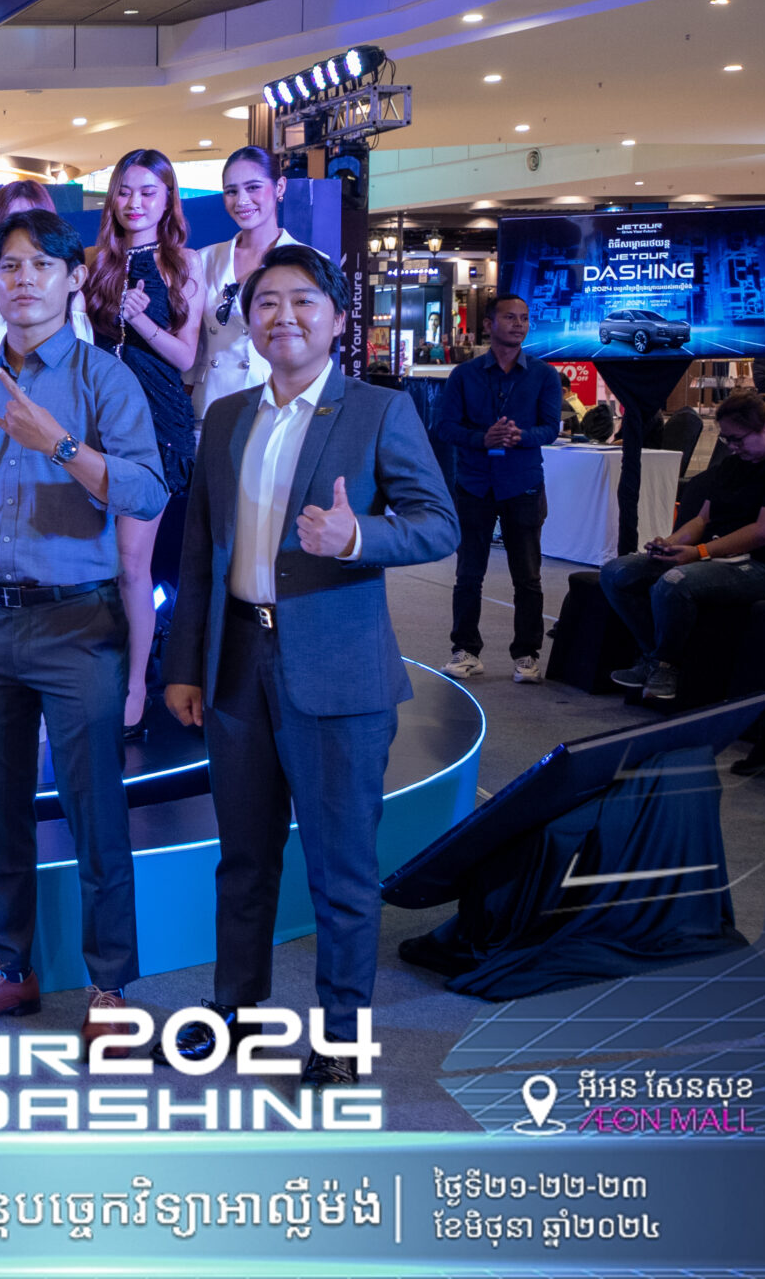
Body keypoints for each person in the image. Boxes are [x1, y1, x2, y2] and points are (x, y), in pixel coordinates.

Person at [163, 245, 458, 1083]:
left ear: (335, 318)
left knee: (341, 869)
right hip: (236, 661)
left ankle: (340, 1039)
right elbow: (199, 553)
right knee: (243, 858)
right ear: (249, 321)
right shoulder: (227, 416)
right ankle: (236, 1010)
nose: (283, 317)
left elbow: (439, 524)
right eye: (266, 303)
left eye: (302, 302)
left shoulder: (378, 411)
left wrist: (359, 535)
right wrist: (184, 665)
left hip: (338, 671)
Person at [0, 207, 167, 1037]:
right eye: (10, 266)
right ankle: (9, 968)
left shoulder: (106, 381)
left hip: (77, 625)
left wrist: (61, 445)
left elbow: (146, 491)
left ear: (73, 279)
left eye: (42, 265)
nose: (24, 278)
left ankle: (111, 989)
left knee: (96, 811)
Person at [84, 148, 206, 739]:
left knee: (133, 566)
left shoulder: (182, 263)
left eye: (147, 192)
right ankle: (91, 680)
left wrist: (142, 320)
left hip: (156, 427)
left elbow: (185, 355)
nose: (134, 203)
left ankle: (135, 690)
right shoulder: (95, 263)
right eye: (125, 191)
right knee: (94, 564)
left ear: (167, 200)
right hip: (95, 425)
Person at [600, 389, 765, 703]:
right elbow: (703, 519)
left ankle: (666, 665)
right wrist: (670, 542)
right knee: (616, 572)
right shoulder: (734, 464)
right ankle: (654, 657)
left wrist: (700, 553)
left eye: (738, 439)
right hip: (716, 556)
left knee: (674, 582)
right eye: (726, 440)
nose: (732, 446)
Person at [433, 294, 562, 683]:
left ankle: (527, 655)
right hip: (474, 483)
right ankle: (465, 650)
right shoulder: (464, 375)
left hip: (523, 483)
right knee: (468, 574)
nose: (519, 324)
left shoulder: (544, 375)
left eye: (524, 318)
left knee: (528, 576)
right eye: (510, 317)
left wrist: (521, 437)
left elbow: (550, 428)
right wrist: (482, 439)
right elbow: (445, 427)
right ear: (489, 324)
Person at [193, 147, 309, 416]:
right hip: (210, 405)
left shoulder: (309, 262)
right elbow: (193, 344)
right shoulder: (203, 260)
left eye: (253, 187)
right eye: (231, 191)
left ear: (280, 187)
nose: (242, 200)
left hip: (276, 404)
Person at [0, 181, 90, 374]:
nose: (23, 232)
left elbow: (80, 373)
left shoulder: (71, 300)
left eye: (34, 221)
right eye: (12, 221)